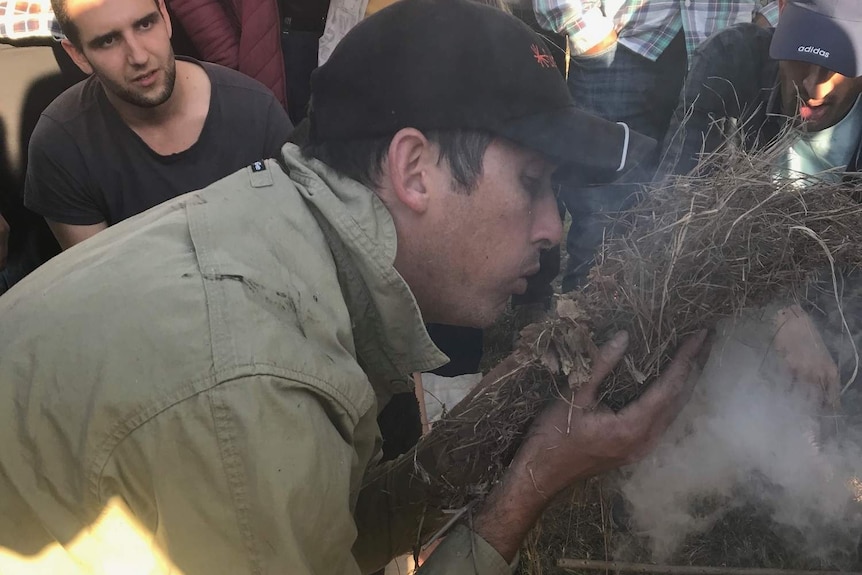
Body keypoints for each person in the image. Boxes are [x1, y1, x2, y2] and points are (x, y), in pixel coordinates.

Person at [0, 0, 706, 573]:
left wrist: (481, 439)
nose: (554, 227)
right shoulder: (258, 379)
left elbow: (330, 525)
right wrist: (533, 485)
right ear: (414, 169)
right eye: (532, 182)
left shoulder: (285, 239)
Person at [531, 0, 777, 291]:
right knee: (602, 231)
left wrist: (766, 19)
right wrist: (590, 33)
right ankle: (583, 329)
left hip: (721, 62)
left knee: (691, 229)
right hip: (619, 54)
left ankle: (658, 332)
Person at [23, 0, 293, 250]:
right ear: (77, 54)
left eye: (145, 24)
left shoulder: (255, 111)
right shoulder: (60, 145)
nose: (138, 56)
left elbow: (296, 249)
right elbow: (103, 286)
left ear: (165, 15)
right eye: (108, 40)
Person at [658, 0, 862, 181]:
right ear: (782, 10)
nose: (814, 87)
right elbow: (673, 192)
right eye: (802, 53)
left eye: (841, 64)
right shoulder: (730, 62)